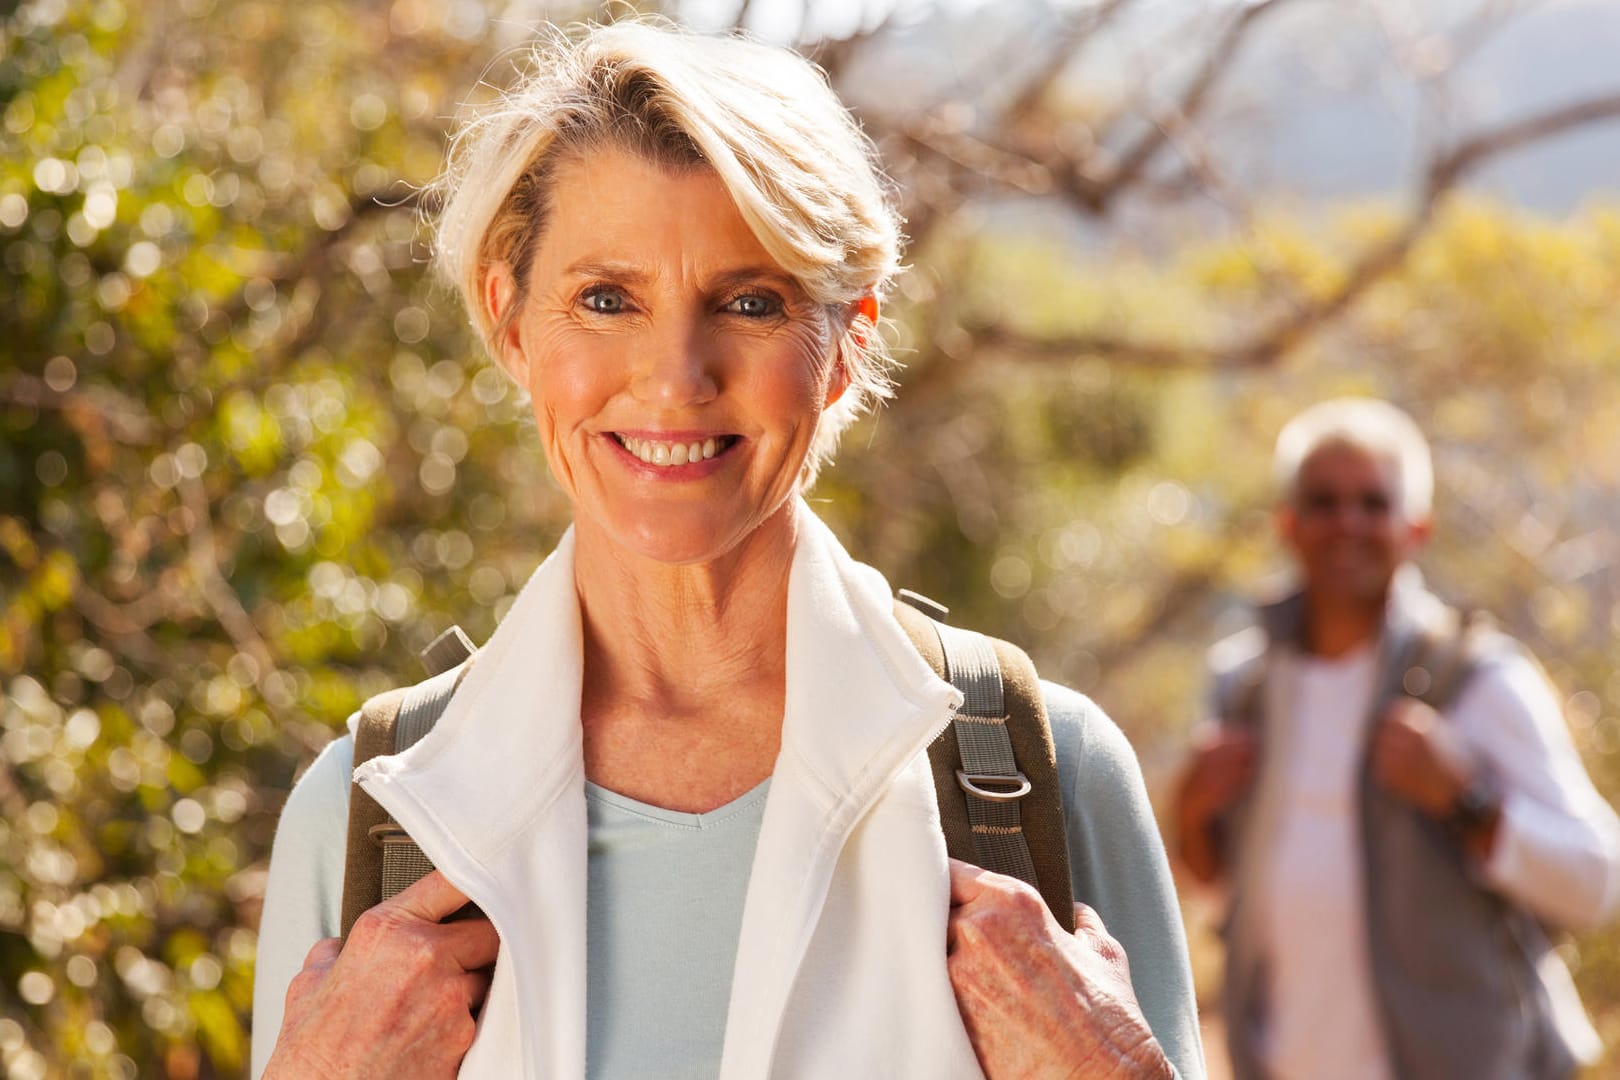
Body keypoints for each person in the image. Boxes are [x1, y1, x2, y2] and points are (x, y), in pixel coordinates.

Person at [249, 20, 1204, 1080]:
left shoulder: (1044, 779)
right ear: (512, 324)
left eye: (750, 303)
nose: (675, 376)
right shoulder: (367, 815)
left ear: (847, 345)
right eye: (605, 300)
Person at [1175, 397, 1620, 1080]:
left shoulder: (1478, 681)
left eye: (1373, 503)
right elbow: (1218, 887)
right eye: (1323, 502)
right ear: (1287, 525)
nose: (1347, 522)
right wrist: (1190, 811)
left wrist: (1467, 800)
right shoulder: (1244, 687)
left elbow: (1598, 883)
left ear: (1417, 529)